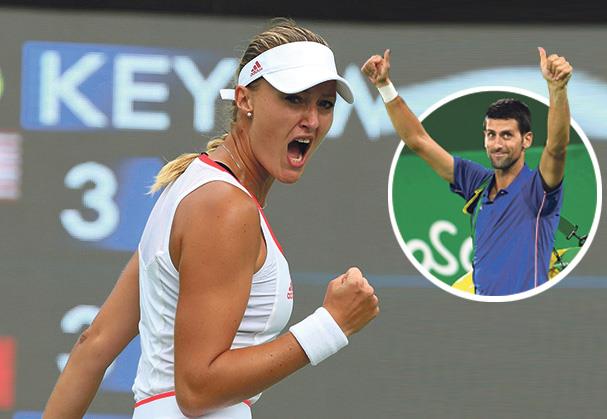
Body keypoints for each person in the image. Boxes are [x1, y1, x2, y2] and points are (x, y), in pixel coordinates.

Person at [43, 19, 379, 419]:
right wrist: (330, 325)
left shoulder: (196, 188)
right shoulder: (224, 206)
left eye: (324, 104)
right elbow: (197, 390)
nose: (312, 119)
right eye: (294, 99)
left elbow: (93, 345)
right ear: (245, 100)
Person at [362, 47, 573, 296]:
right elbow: (418, 141)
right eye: (491, 135)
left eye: (507, 135)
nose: (497, 144)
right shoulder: (478, 182)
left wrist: (557, 89)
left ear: (526, 140)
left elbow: (556, 148)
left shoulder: (539, 189)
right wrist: (384, 86)